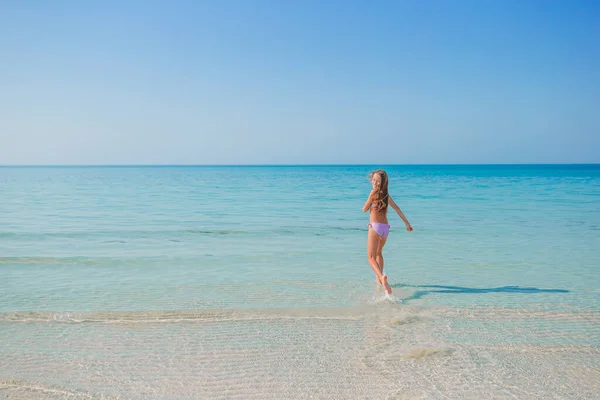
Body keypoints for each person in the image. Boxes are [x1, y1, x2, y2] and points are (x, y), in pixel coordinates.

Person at [362, 169, 413, 295]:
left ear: (381, 183)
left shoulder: (373, 193)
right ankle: (380, 279)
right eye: (373, 179)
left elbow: (364, 209)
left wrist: (370, 197)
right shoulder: (386, 195)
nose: (374, 182)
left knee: (370, 257)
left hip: (375, 227)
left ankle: (381, 277)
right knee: (379, 253)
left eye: (376, 180)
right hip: (385, 229)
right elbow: (397, 209)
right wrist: (407, 223)